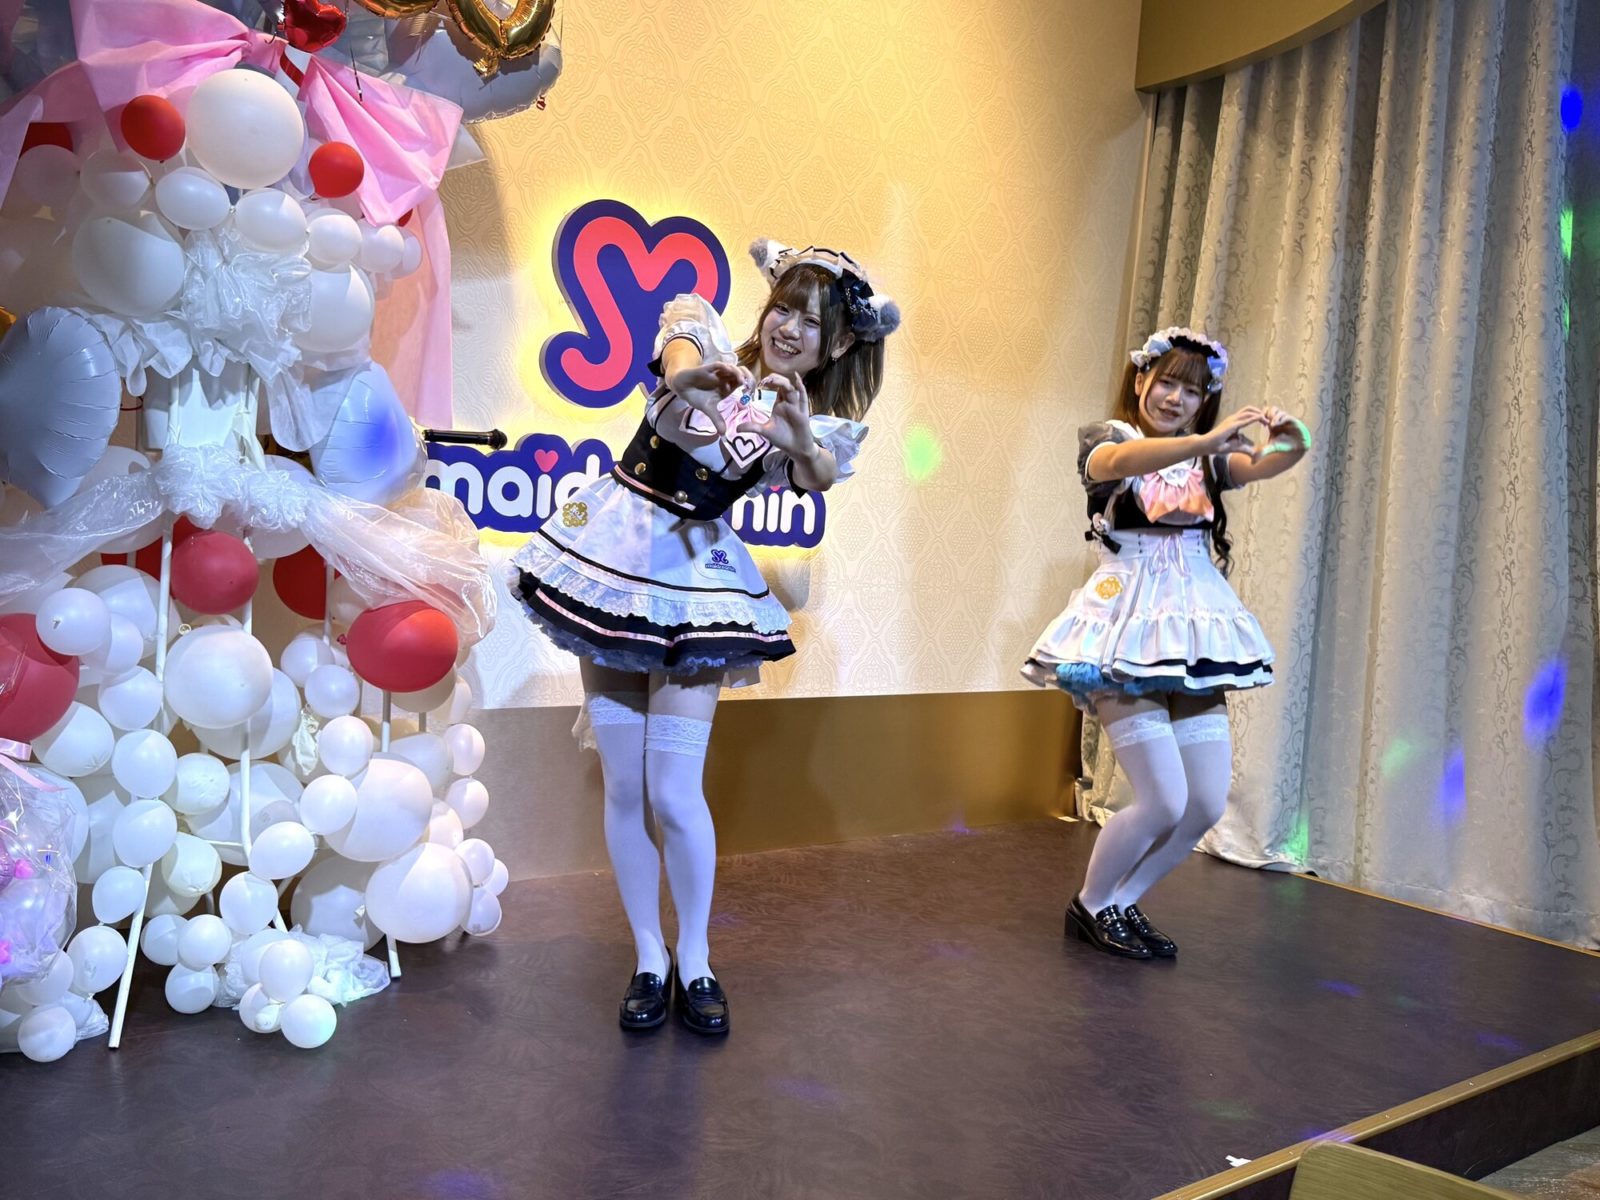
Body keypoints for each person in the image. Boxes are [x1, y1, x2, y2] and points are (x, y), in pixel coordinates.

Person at [511, 240, 899, 1029]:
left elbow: (819, 473)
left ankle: (695, 958)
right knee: (625, 786)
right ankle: (648, 957)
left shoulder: (802, 417)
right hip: (614, 559)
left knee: (672, 791)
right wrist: (686, 378)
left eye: (812, 323)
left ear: (839, 344)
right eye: (784, 308)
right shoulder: (703, 332)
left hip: (696, 580)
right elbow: (680, 359)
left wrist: (800, 440)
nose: (789, 328)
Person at [1022, 327, 1311, 960]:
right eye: (1168, 383)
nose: (1177, 398)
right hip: (1123, 633)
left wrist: (1293, 440)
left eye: (1193, 391)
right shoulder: (1108, 440)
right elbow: (1121, 466)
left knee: (1203, 803)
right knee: (1163, 801)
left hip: (1192, 638)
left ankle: (1122, 900)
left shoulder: (1205, 461)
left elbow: (1263, 464)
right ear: (1140, 380)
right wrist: (1205, 440)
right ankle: (1090, 905)